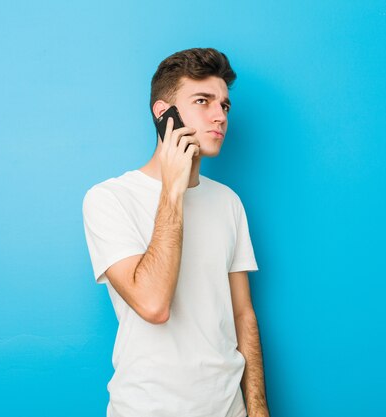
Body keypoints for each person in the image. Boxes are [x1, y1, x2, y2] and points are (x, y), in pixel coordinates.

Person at [83, 48, 270, 417]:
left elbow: (243, 314)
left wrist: (258, 408)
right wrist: (173, 188)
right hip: (148, 408)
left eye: (225, 106)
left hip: (229, 408)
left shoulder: (228, 202)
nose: (220, 116)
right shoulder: (108, 199)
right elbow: (154, 304)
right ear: (163, 114)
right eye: (203, 101)